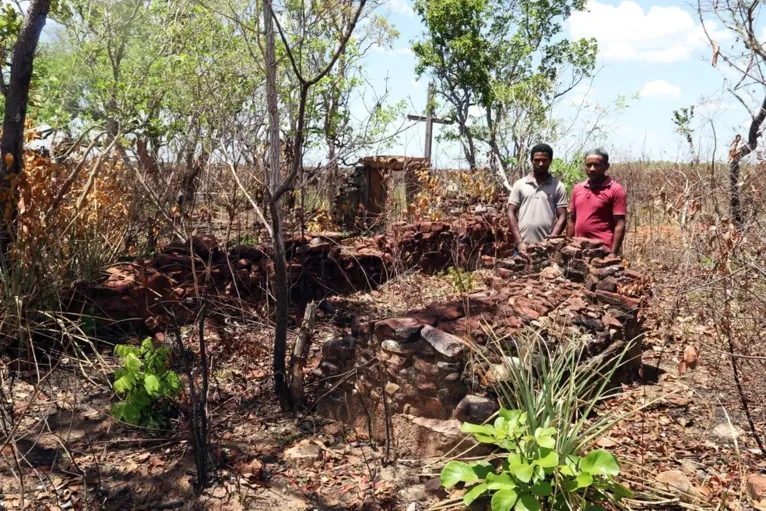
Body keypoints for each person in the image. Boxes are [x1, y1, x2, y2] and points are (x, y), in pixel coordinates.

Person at [508, 143, 568, 254]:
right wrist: (519, 242)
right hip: (522, 246)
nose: (540, 163)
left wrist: (550, 241)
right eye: (537, 160)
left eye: (544, 160)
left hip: (547, 248)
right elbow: (511, 212)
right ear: (531, 161)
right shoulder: (520, 184)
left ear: (550, 161)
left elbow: (563, 216)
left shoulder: (558, 186)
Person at [567, 148, 626, 255]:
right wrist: (568, 244)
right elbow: (572, 220)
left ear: (606, 166)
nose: (592, 169)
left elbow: (619, 224)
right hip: (578, 247)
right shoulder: (578, 188)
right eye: (588, 165)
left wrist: (613, 254)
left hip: (602, 249)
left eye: (596, 165)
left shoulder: (615, 189)